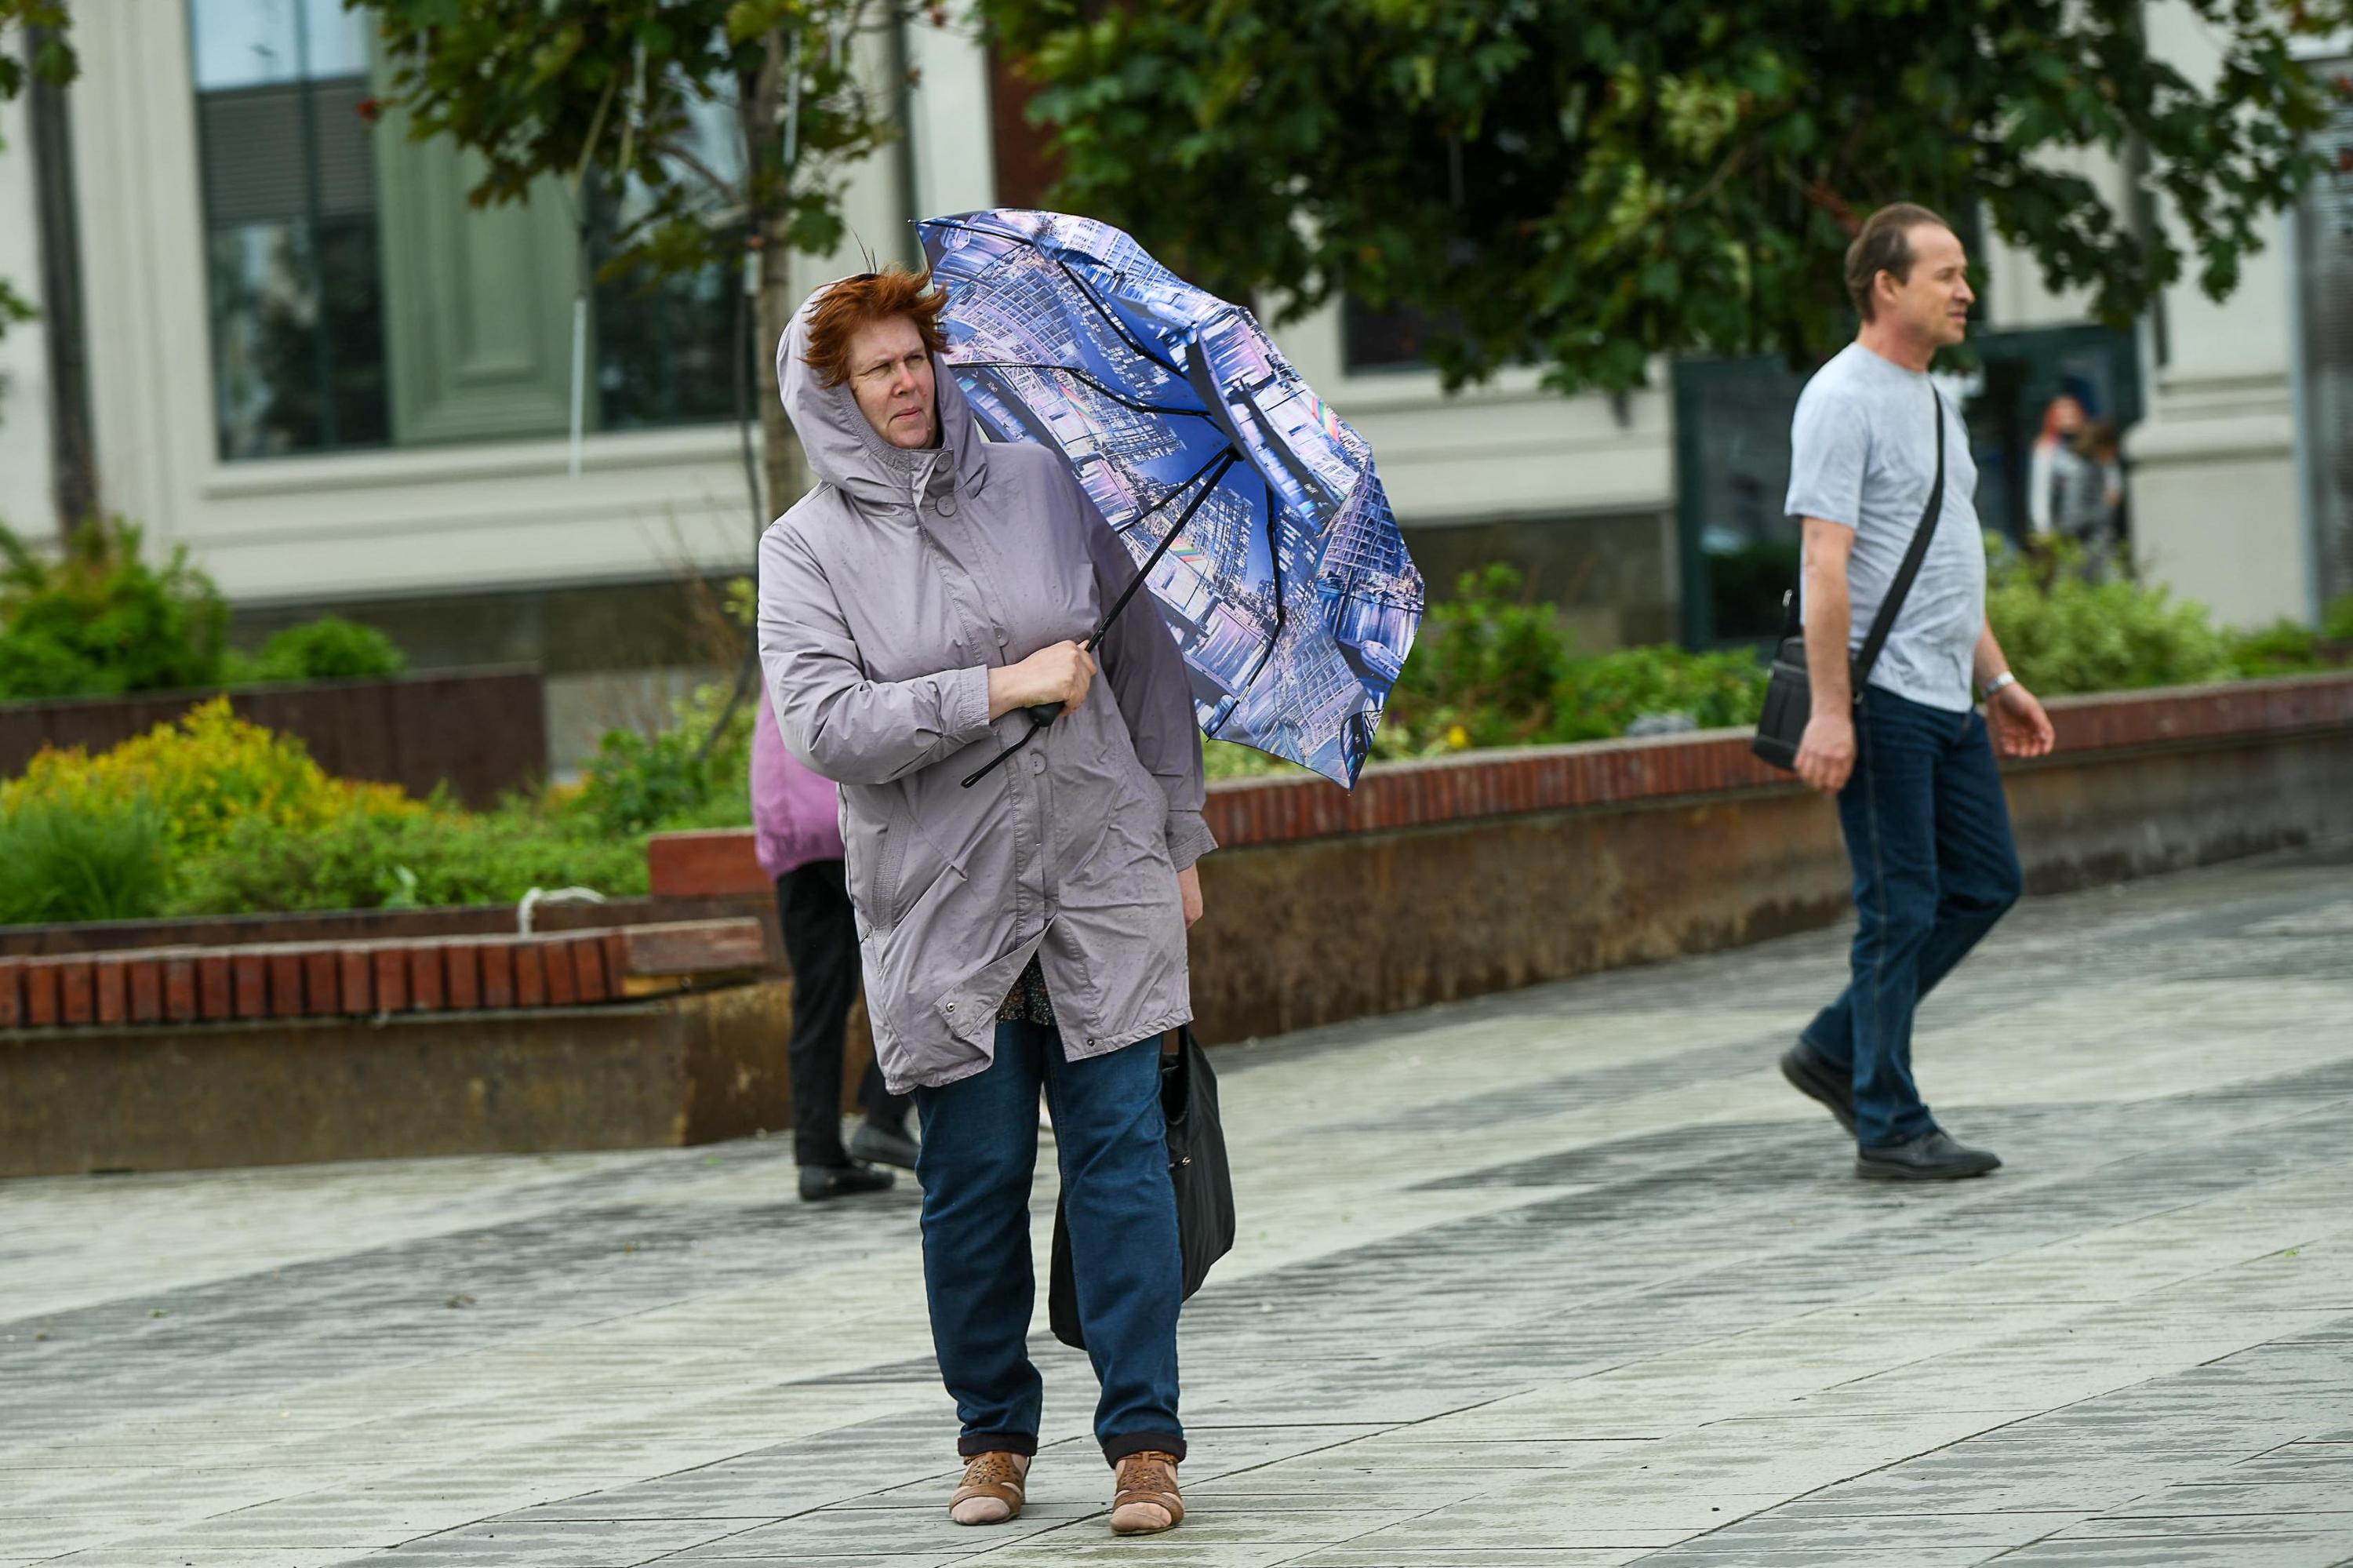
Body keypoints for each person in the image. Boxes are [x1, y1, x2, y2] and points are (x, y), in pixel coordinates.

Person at [756, 267, 1212, 1537]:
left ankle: (1145, 1444)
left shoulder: (1045, 484)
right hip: (943, 905)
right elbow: (829, 724)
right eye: (878, 371)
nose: (908, 385)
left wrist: (1178, 832)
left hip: (1098, 871)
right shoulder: (804, 552)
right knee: (974, 1177)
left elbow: (1145, 666)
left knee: (1122, 1160)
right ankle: (995, 1432)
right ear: (831, 397)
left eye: (918, 360)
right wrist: (998, 685)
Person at [1778, 202, 2058, 1181]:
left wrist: (2001, 679)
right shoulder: (1841, 397)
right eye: (1945, 273)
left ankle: (1834, 1047)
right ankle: (1889, 1122)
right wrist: (1829, 709)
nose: (1966, 291)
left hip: (1948, 694)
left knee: (1987, 882)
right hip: (1881, 697)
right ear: (1885, 285)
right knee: (1899, 907)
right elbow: (1827, 563)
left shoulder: (1936, 398)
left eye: (1964, 273)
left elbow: (1941, 561)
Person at [751, 698, 918, 1201]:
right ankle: (885, 1116)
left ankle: (818, 1155)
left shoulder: (778, 621)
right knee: (919, 965)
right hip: (844, 806)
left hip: (786, 820)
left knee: (818, 996)